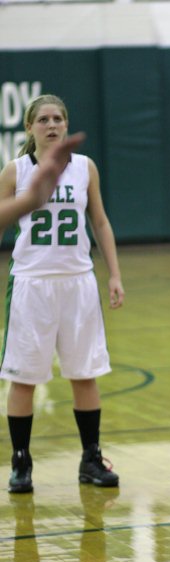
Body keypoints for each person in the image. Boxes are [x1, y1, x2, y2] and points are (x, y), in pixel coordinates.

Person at [0, 94, 124, 493]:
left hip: (78, 283)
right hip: (31, 285)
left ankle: (91, 458)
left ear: (66, 125)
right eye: (44, 119)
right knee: (23, 379)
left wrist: (114, 276)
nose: (52, 125)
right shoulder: (14, 170)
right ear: (30, 127)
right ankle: (21, 462)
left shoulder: (85, 168)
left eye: (58, 119)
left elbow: (100, 223)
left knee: (84, 374)